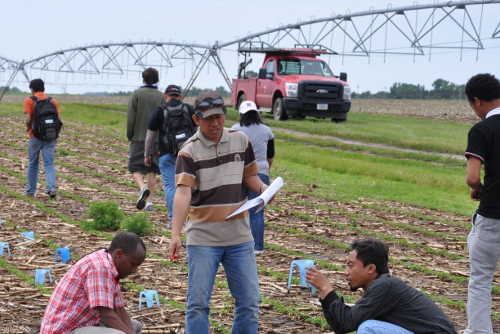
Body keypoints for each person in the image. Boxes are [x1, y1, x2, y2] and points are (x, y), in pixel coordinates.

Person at [168, 90, 269, 333]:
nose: (215, 123)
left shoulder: (240, 140)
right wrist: (175, 234)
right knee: (198, 305)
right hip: (203, 238)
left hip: (239, 237)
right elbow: (183, 193)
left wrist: (265, 189)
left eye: (219, 117)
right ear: (196, 120)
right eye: (208, 119)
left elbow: (250, 177)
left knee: (249, 302)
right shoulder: (188, 151)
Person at [305, 239, 456, 334]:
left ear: (371, 268)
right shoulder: (381, 287)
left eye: (351, 266)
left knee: (368, 327)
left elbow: (348, 321)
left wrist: (327, 288)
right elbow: (342, 327)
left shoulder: (386, 286)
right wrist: (324, 295)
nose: (346, 272)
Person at [40, 232, 147, 334]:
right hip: (63, 330)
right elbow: (106, 315)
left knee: (135, 326)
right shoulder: (100, 267)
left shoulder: (111, 267)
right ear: (118, 253)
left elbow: (119, 309)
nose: (134, 270)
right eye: (133, 264)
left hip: (83, 325)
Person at [463, 73, 500, 334]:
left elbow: (472, 177)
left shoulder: (482, 130)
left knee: (481, 280)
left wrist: (478, 189)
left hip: (494, 215)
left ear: (477, 101)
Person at [144, 84, 195, 228]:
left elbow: (150, 136)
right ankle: (192, 219)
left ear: (165, 96)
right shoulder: (189, 109)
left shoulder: (159, 111)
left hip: (166, 154)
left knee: (172, 186)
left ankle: (173, 220)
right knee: (190, 186)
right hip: (188, 153)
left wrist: (146, 155)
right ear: (179, 96)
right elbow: (197, 131)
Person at [231, 100, 275, 255]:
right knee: (257, 211)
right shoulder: (266, 130)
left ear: (241, 114)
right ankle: (257, 247)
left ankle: (235, 243)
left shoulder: (235, 130)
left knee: (237, 208)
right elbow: (270, 155)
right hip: (261, 172)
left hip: (239, 172)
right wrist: (265, 171)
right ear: (256, 113)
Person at [127, 67, 164, 211]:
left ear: (143, 79)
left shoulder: (136, 94)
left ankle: (142, 188)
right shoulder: (160, 96)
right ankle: (150, 202)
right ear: (157, 79)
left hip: (139, 137)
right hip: (155, 139)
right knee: (152, 170)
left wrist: (130, 134)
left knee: (134, 167)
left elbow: (131, 117)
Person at [24, 78, 62, 199]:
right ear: (44, 89)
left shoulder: (30, 100)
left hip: (35, 137)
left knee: (33, 163)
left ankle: (30, 191)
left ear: (32, 89)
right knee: (49, 163)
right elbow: (59, 121)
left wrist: (29, 129)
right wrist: (55, 134)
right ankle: (51, 188)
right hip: (50, 136)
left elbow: (28, 119)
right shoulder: (53, 101)